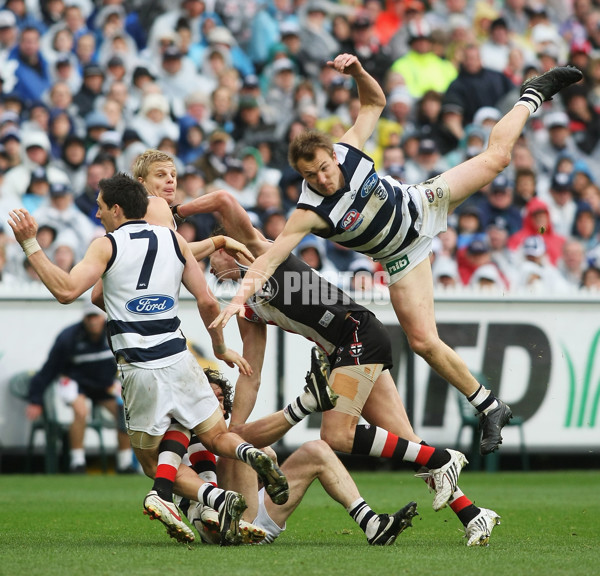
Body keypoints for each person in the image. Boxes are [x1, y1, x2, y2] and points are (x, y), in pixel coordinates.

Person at [213, 54, 583, 456]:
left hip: (422, 204)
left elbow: (374, 103)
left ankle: (531, 94)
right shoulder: (308, 213)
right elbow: (268, 258)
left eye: (323, 168)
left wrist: (357, 73)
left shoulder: (347, 149)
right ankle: (490, 406)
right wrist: (236, 300)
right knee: (423, 341)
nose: (322, 179)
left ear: (332, 156)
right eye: (310, 176)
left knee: (498, 158)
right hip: (402, 257)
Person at [181, 189, 498, 545]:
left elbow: (224, 199)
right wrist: (236, 429)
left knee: (336, 436)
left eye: (215, 253)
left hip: (357, 335)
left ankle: (441, 457)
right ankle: (474, 515)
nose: (211, 262)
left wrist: (175, 212)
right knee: (405, 442)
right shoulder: (246, 309)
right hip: (346, 348)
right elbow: (250, 376)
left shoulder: (261, 250)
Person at [7, 172, 289, 546]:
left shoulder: (105, 245)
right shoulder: (174, 239)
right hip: (181, 358)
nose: (96, 213)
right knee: (216, 435)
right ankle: (250, 455)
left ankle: (217, 498)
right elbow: (207, 301)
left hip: (140, 369)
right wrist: (220, 348)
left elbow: (67, 290)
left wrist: (30, 244)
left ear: (118, 209)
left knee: (153, 464)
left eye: (100, 206)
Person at [184, 368, 419, 546]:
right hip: (221, 527)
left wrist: (266, 464)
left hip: (258, 518)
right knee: (238, 446)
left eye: (220, 399)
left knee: (317, 449)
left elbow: (267, 457)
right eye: (208, 398)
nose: (215, 404)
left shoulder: (228, 436)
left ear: (225, 409)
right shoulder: (182, 435)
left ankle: (372, 525)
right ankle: (305, 404)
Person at [26, 299, 135, 474]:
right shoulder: (68, 337)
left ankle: (125, 463)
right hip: (74, 381)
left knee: (125, 411)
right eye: (89, 317)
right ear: (84, 318)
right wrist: (35, 399)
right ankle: (77, 462)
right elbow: (50, 369)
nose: (92, 321)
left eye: (96, 317)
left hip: (104, 384)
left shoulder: (115, 334)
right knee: (80, 410)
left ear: (103, 318)